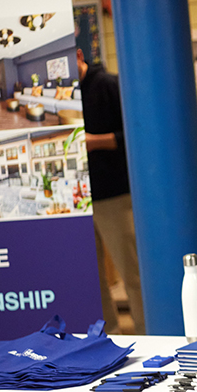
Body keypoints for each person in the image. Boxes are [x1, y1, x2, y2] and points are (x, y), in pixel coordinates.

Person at [76, 48, 146, 333]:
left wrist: (95, 142)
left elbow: (135, 133)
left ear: (80, 55)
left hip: (114, 195)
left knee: (131, 270)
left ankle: (147, 330)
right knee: (91, 277)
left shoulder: (108, 85)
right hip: (78, 198)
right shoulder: (60, 94)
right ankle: (109, 332)